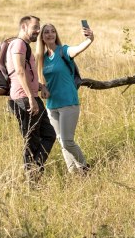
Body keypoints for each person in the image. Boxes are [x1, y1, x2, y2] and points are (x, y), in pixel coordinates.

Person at [36, 22, 94, 174]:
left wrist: (89, 39)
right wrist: (43, 87)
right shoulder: (41, 58)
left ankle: (84, 169)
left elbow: (77, 50)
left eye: (53, 31)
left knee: (68, 141)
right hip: (51, 105)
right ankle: (73, 173)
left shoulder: (64, 51)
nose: (50, 34)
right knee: (61, 142)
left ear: (56, 35)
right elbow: (42, 80)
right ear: (42, 37)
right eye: (46, 32)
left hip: (68, 102)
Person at [6, 15, 57, 181]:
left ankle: (35, 171)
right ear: (23, 27)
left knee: (48, 134)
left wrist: (40, 87)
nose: (38, 31)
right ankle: (32, 178)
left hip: (31, 96)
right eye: (35, 27)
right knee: (32, 140)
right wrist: (30, 97)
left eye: (38, 28)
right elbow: (20, 71)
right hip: (23, 98)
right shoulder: (19, 44)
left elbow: (27, 72)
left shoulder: (25, 46)